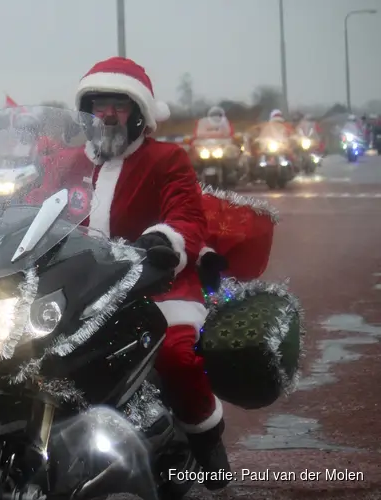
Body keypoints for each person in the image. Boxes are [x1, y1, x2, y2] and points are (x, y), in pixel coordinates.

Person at [72, 56, 231, 490]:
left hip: (159, 281)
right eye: (99, 104)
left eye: (118, 105)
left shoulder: (166, 159)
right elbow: (32, 203)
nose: (107, 114)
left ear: (138, 112)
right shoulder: (71, 162)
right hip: (84, 286)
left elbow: (186, 213)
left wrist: (165, 241)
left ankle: (204, 435)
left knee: (178, 354)